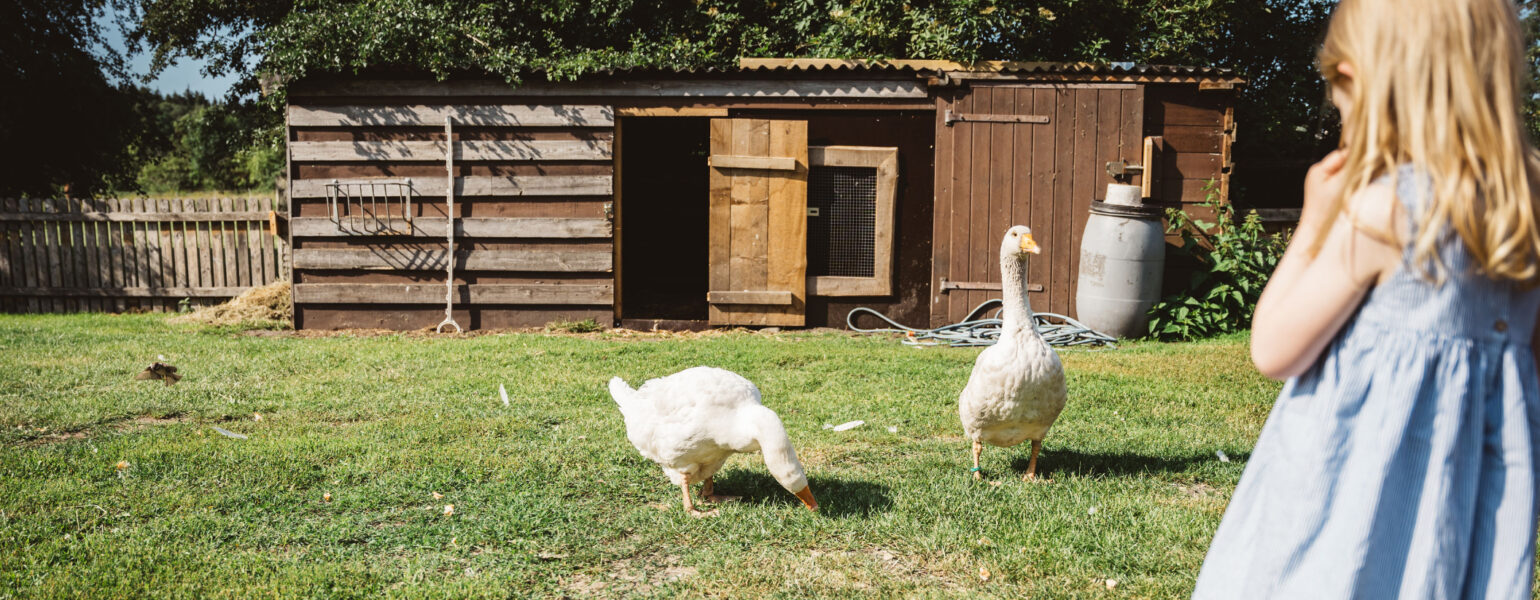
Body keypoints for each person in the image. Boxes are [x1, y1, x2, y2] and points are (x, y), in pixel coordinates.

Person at [1192, 0, 1540, 597]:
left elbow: (1275, 349)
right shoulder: (1525, 206)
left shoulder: (1385, 212)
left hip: (1353, 495)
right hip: (1470, 499)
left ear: (1354, 77)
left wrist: (1315, 223)